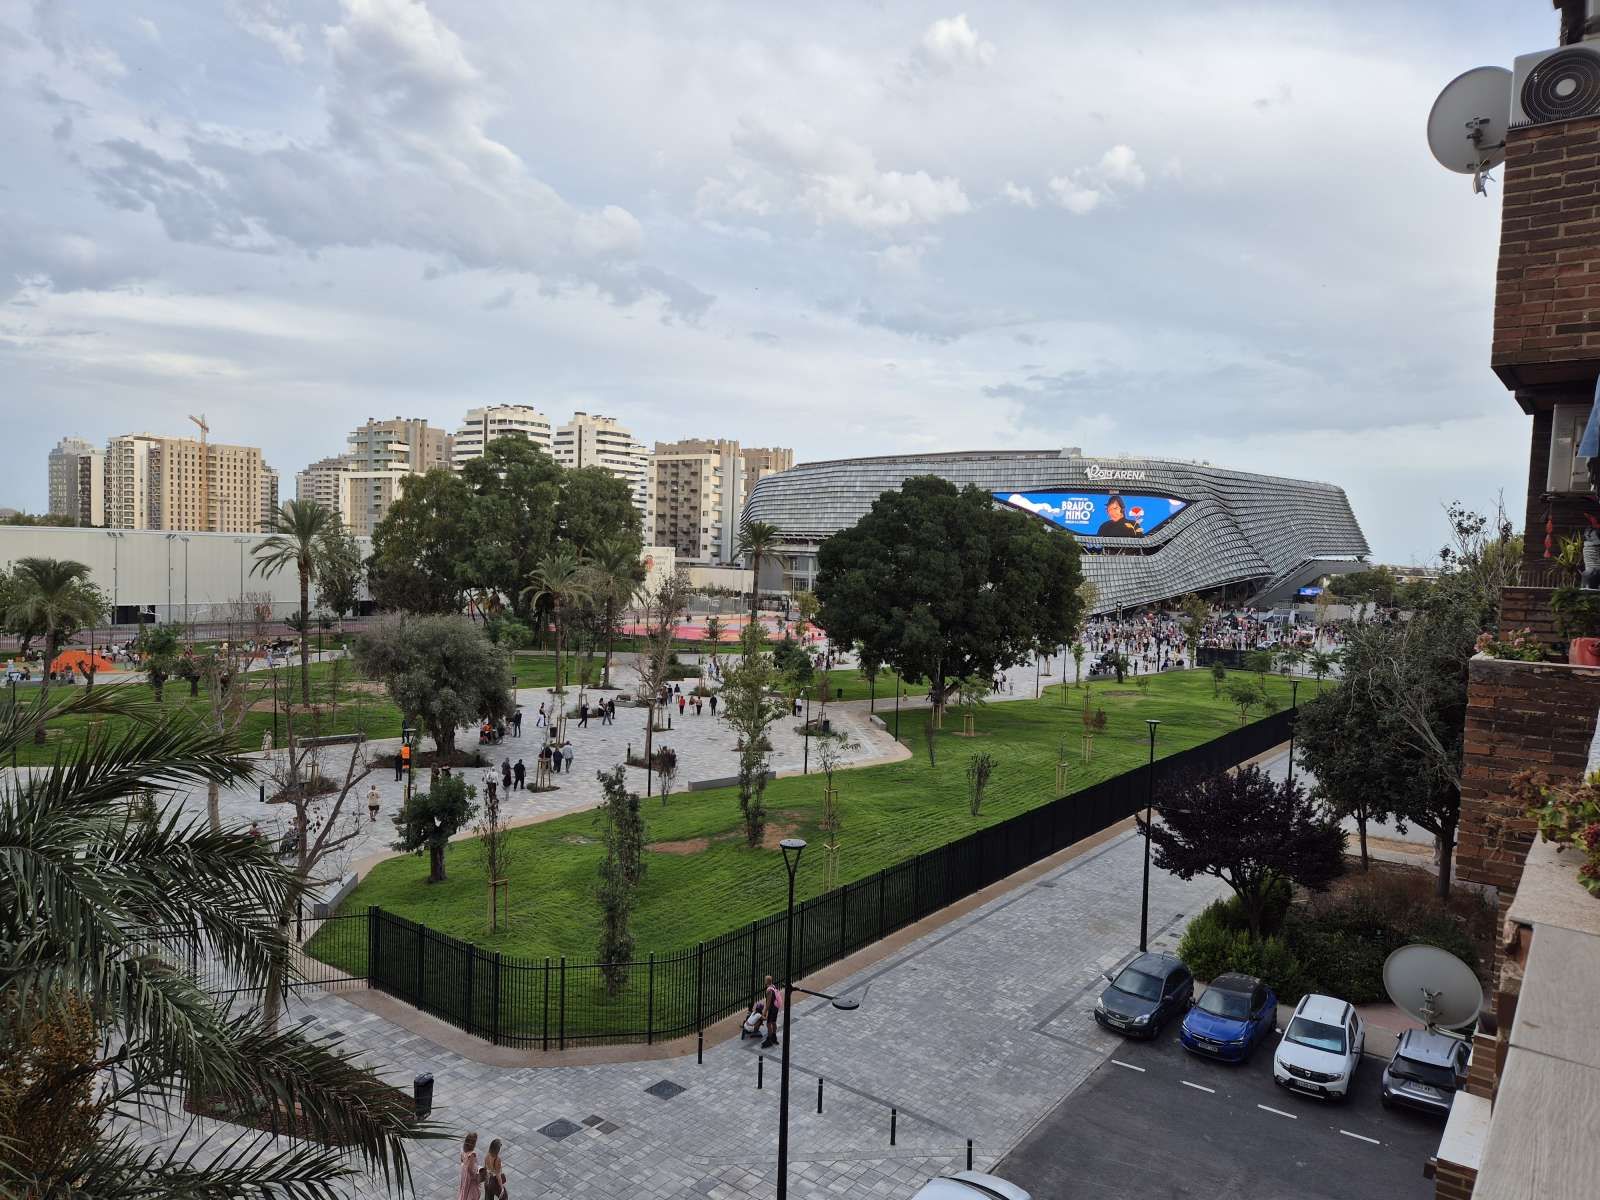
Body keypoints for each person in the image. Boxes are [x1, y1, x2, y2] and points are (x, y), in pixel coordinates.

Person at [760, 974, 782, 1048]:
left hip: (772, 1009)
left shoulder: (769, 990)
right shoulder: (773, 986)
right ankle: (774, 1037)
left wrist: (765, 1012)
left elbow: (768, 1003)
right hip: (776, 1008)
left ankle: (769, 1040)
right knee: (773, 1022)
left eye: (765, 980)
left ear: (766, 981)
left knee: (768, 1024)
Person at [458, 1132, 481, 1200]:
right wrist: (477, 1178)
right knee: (472, 1193)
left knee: (464, 1189)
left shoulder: (463, 1149)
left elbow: (462, 1160)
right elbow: (470, 1169)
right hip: (470, 1177)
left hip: (464, 1174)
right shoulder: (472, 1154)